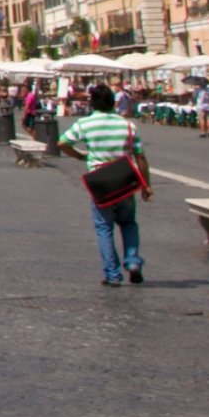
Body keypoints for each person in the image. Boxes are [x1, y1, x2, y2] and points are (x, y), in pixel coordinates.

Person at [58, 83, 151, 287]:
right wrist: (146, 185)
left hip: (100, 179)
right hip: (124, 176)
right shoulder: (127, 125)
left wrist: (80, 156)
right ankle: (133, 262)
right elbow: (140, 157)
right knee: (128, 223)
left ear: (92, 103)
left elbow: (62, 142)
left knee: (104, 227)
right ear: (112, 102)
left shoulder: (85, 124)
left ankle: (112, 275)